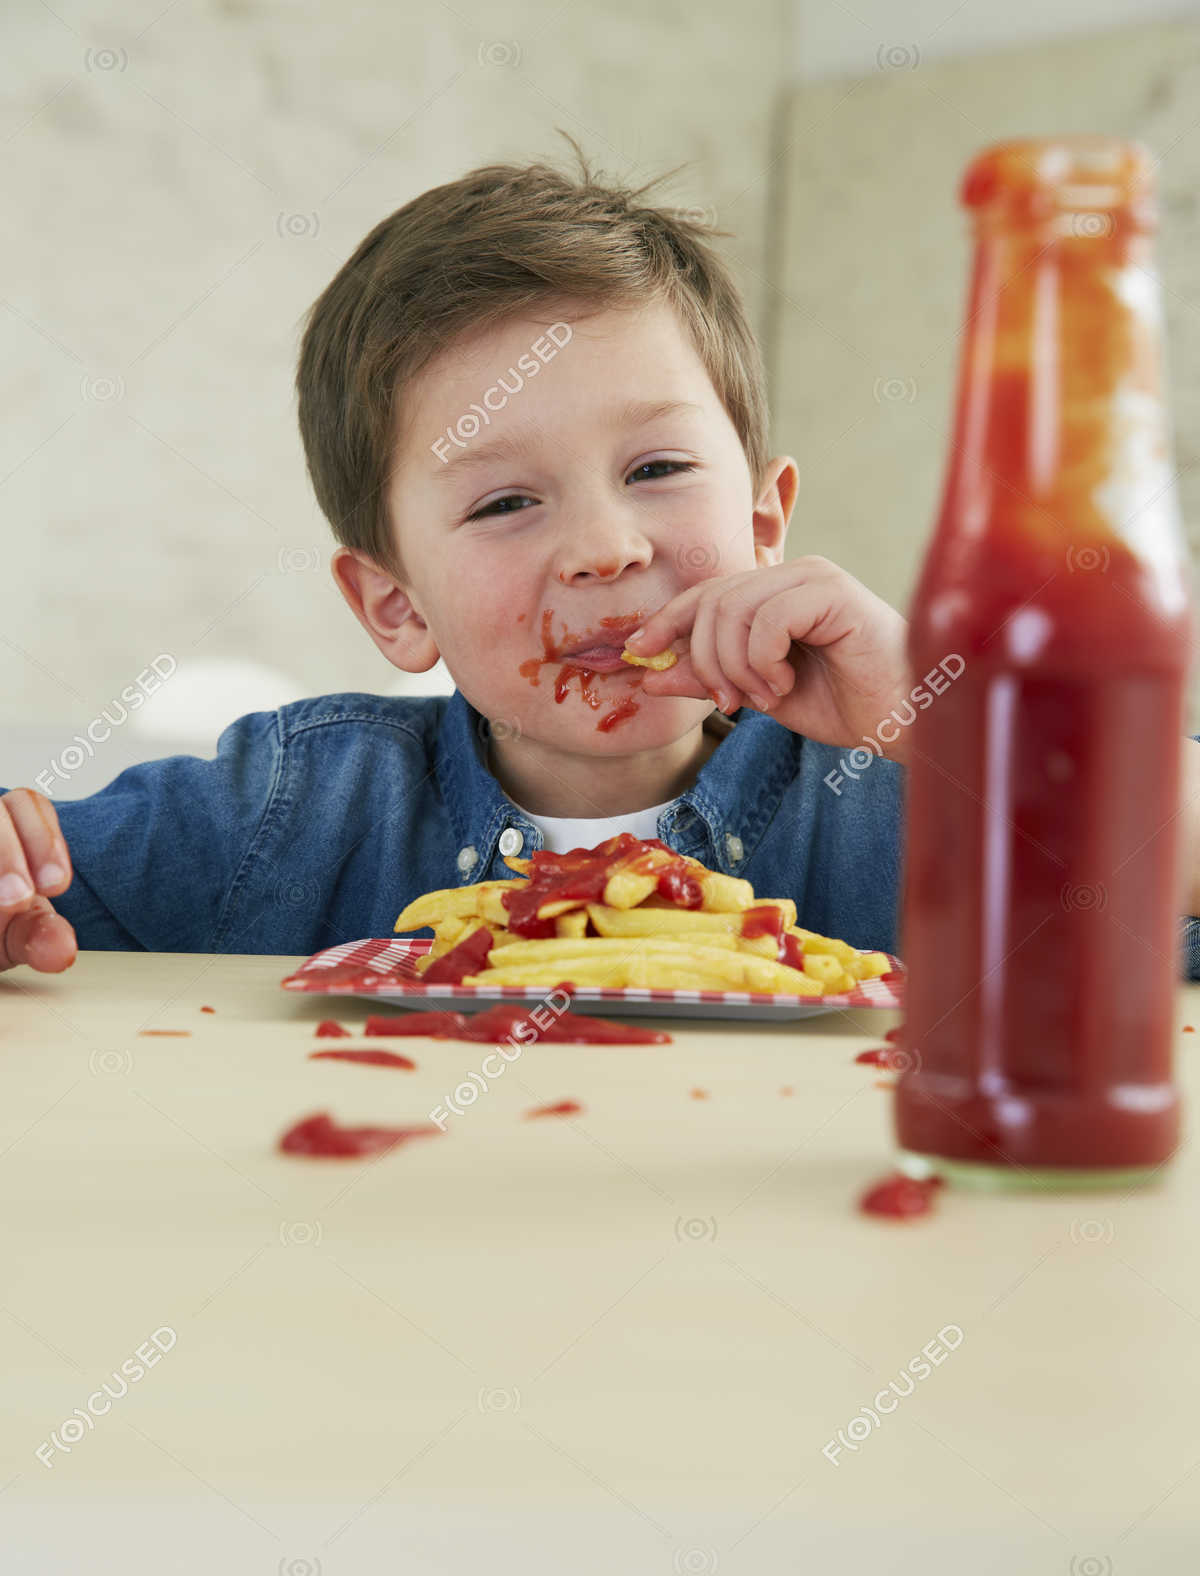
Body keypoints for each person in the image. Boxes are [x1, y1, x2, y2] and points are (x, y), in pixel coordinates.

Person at [2, 134, 1198, 977]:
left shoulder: (919, 794)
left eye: (657, 470)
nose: (604, 548)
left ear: (767, 523)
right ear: (395, 603)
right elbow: (30, 886)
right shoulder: (288, 808)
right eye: (507, 501)